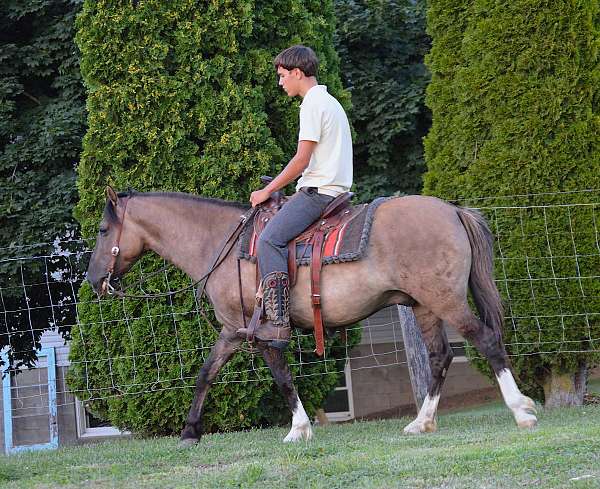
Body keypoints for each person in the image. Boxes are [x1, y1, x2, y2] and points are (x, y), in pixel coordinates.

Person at [237, 45, 353, 348]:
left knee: (269, 240)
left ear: (298, 73)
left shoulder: (313, 105)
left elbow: (302, 160)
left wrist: (268, 190)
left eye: (282, 76)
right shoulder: (330, 101)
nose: (280, 82)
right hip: (334, 190)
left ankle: (278, 322)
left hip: (318, 193)